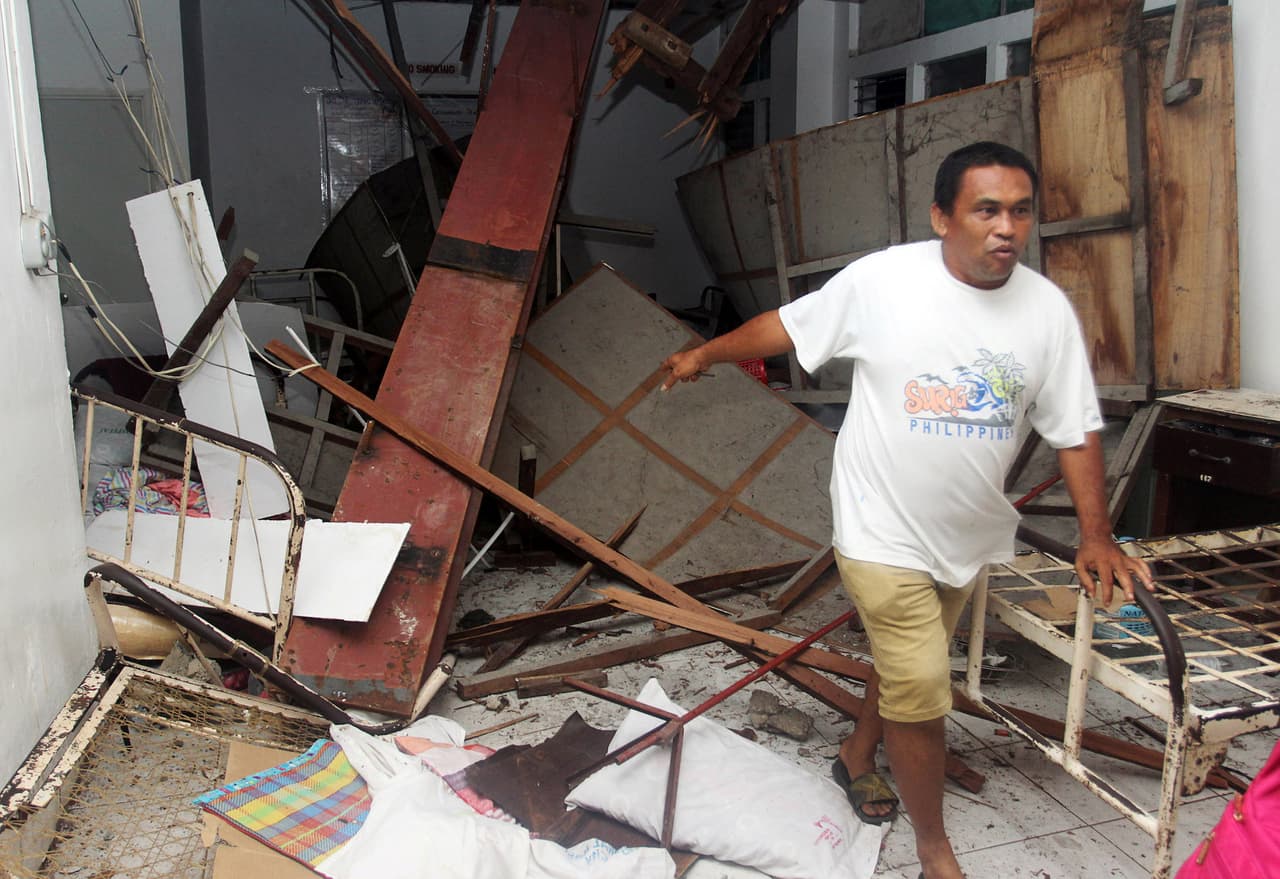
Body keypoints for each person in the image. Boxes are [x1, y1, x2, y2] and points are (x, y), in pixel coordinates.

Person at [660, 141, 1154, 879]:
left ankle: (856, 754)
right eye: (986, 209)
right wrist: (707, 353)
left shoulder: (1046, 311)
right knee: (923, 686)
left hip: (964, 533)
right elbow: (788, 327)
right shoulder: (884, 282)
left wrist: (1097, 533)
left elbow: (1074, 426)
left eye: (1020, 211)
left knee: (904, 669)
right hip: (877, 523)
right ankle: (936, 853)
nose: (1006, 228)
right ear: (941, 217)